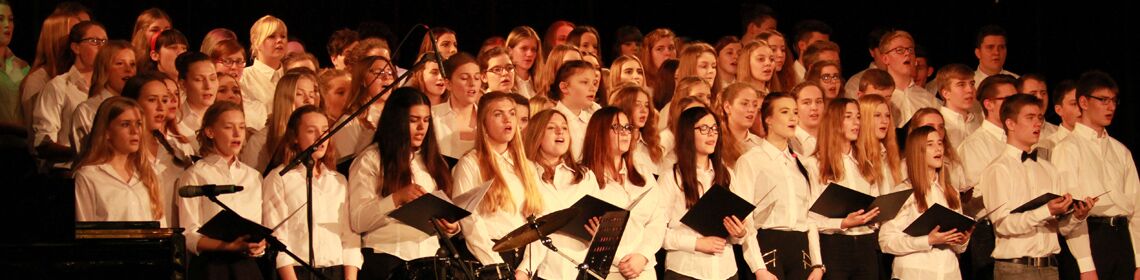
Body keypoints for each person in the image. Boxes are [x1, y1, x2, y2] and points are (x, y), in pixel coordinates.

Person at [978, 93, 1096, 280]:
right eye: (1030, 118)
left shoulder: (1048, 169)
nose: (1038, 124)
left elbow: (1059, 228)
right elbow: (1003, 225)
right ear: (1010, 124)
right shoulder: (998, 169)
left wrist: (1076, 217)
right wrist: (1046, 210)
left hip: (1050, 268)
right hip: (1015, 269)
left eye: (1040, 118)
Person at [347, 87, 458, 279]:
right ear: (396, 122)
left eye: (426, 120)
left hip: (429, 260)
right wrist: (396, 198)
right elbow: (358, 221)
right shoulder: (371, 159)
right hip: (387, 258)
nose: (422, 128)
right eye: (413, 121)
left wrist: (451, 227)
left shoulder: (432, 162)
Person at [1052, 71, 1138, 280]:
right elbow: (1072, 210)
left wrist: (1138, 261)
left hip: (1122, 240)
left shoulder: (1121, 151)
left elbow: (1136, 207)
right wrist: (1085, 265)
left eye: (1114, 101)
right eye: (1103, 100)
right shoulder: (1068, 149)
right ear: (1083, 102)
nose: (1111, 107)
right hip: (1092, 239)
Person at [263, 105, 362, 280]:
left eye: (325, 130)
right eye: (311, 131)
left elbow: (349, 236)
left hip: (336, 271)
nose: (320, 137)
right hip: (297, 271)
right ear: (295, 137)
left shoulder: (338, 180)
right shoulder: (280, 178)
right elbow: (278, 239)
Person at [661, 106, 759, 280]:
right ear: (688, 133)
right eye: (704, 128)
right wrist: (697, 244)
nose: (712, 134)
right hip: (686, 271)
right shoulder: (672, 176)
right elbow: (658, 232)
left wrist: (739, 233)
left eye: (714, 128)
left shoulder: (726, 174)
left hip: (726, 271)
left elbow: (743, 231)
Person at [451, 92, 544, 274]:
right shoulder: (470, 164)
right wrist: (496, 266)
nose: (507, 119)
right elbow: (469, 221)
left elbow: (540, 221)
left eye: (511, 113)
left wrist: (525, 269)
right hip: (488, 258)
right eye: (498, 114)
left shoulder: (528, 167)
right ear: (483, 123)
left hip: (523, 261)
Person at [735, 91, 822, 280]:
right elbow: (746, 218)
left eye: (795, 112)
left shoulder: (802, 164)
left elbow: (810, 217)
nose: (793, 117)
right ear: (768, 119)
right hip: (768, 246)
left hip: (800, 250)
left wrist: (817, 263)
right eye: (784, 112)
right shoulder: (751, 160)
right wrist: (758, 268)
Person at [177, 101, 266, 280]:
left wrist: (260, 245)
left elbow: (257, 225)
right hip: (211, 267)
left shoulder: (253, 177)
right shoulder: (195, 174)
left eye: (241, 127)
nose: (236, 133)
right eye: (228, 127)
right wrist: (228, 246)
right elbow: (188, 234)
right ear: (210, 132)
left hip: (246, 266)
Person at [579, 106, 666, 279]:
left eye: (627, 127)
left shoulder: (643, 174)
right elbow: (586, 229)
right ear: (599, 132)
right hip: (605, 271)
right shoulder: (584, 178)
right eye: (617, 128)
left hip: (643, 268)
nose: (625, 133)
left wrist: (642, 255)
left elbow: (658, 220)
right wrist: (621, 261)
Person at [514, 109, 601, 280]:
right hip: (543, 270)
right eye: (551, 128)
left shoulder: (585, 176)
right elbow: (532, 228)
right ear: (537, 135)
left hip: (581, 269)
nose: (560, 131)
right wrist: (525, 269)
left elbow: (599, 221)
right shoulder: (524, 175)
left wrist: (598, 230)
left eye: (564, 127)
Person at [803, 98, 884, 280]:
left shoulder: (865, 165)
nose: (856, 122)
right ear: (834, 122)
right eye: (848, 117)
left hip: (865, 245)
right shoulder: (815, 165)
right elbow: (810, 219)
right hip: (835, 247)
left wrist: (875, 216)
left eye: (858, 117)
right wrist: (842, 223)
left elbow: (875, 204)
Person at [879, 126, 971, 280]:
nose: (938, 149)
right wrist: (927, 240)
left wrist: (962, 240)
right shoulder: (903, 191)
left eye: (940, 143)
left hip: (949, 273)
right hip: (915, 273)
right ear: (917, 152)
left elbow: (958, 248)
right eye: (930, 144)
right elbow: (886, 242)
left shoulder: (951, 192)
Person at [74, 97, 164, 226]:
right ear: (107, 132)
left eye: (138, 124)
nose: (135, 131)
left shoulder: (149, 172)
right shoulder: (89, 176)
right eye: (125, 124)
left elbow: (161, 224)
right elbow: (84, 230)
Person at [32, 21, 105, 160]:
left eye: (104, 42)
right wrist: (83, 154)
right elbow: (43, 144)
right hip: (66, 173)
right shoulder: (58, 87)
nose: (102, 47)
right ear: (76, 47)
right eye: (95, 41)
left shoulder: (107, 88)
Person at [66, 41, 135, 155]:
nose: (128, 69)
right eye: (119, 63)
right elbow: (86, 155)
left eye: (132, 64)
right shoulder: (87, 110)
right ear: (104, 69)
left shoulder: (137, 107)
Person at [880, 30, 937, 128]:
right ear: (885, 59)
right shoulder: (879, 96)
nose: (907, 54)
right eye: (899, 50)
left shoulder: (928, 99)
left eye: (910, 50)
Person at [241, 15, 288, 131]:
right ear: (256, 42)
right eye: (271, 36)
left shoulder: (291, 75)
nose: (279, 40)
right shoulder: (244, 78)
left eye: (283, 36)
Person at [433, 53, 483, 159]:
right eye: (464, 78)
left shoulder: (487, 118)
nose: (472, 83)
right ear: (448, 84)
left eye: (477, 78)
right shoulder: (432, 116)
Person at [610, 84, 664, 177]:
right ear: (625, 107)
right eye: (637, 105)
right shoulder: (615, 144)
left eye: (647, 106)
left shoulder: (652, 144)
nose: (644, 110)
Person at [549, 60, 599, 159]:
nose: (593, 88)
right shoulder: (549, 120)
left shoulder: (594, 121)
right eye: (585, 82)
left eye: (594, 83)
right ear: (564, 87)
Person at [715, 82, 763, 167]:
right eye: (744, 104)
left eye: (755, 105)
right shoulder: (715, 142)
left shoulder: (761, 145)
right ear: (727, 107)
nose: (751, 109)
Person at [935, 64, 982, 146]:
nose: (970, 90)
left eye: (972, 84)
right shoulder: (937, 124)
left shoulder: (979, 121)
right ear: (946, 93)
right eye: (961, 84)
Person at [0, 0, 28, 125]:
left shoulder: (23, 66)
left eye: (10, 19)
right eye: (0, 19)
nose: (7, 25)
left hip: (22, 142)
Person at [129, 8, 172, 73]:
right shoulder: (131, 58)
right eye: (155, 30)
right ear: (142, 33)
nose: (162, 34)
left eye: (166, 30)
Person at [507, 26, 544, 98]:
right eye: (524, 48)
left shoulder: (541, 82)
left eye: (533, 49)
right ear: (510, 51)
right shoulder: (506, 82)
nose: (530, 54)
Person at [792, 82, 826, 158]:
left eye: (818, 102)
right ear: (795, 107)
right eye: (806, 103)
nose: (814, 107)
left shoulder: (832, 137)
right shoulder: (790, 142)